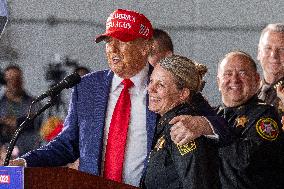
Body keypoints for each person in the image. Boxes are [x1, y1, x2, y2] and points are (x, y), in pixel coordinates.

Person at [9, 9, 229, 187]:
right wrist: (27, 162)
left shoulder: (166, 88)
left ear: (145, 47)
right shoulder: (87, 87)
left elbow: (222, 125)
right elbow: (67, 144)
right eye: (107, 42)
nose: (112, 49)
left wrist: (202, 124)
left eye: (122, 41)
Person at [141, 55, 219, 189]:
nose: (150, 89)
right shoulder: (166, 123)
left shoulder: (184, 128)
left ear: (183, 94)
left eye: (160, 85)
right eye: (151, 81)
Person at [217, 51, 283, 188]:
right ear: (218, 82)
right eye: (228, 74)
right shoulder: (212, 114)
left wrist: (212, 132)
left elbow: (247, 160)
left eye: (242, 73)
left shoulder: (266, 115)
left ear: (257, 80)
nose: (234, 80)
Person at [0, 65, 43, 156]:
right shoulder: (1, 104)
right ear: (5, 82)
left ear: (22, 80)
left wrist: (16, 122)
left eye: (17, 79)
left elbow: (38, 122)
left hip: (31, 156)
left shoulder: (34, 103)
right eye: (10, 79)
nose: (14, 83)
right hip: (6, 158)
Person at [257, 23, 284, 119]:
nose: (274, 55)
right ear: (259, 53)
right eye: (268, 48)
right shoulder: (249, 90)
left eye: (281, 49)